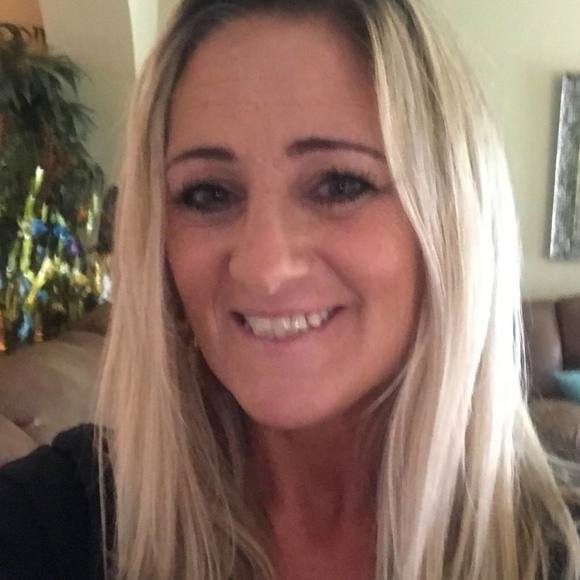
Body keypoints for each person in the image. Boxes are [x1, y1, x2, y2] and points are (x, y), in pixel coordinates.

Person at [1, 0, 579, 578]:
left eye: (339, 184)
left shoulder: (556, 552)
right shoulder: (64, 517)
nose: (264, 267)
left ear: (453, 224)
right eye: (208, 194)